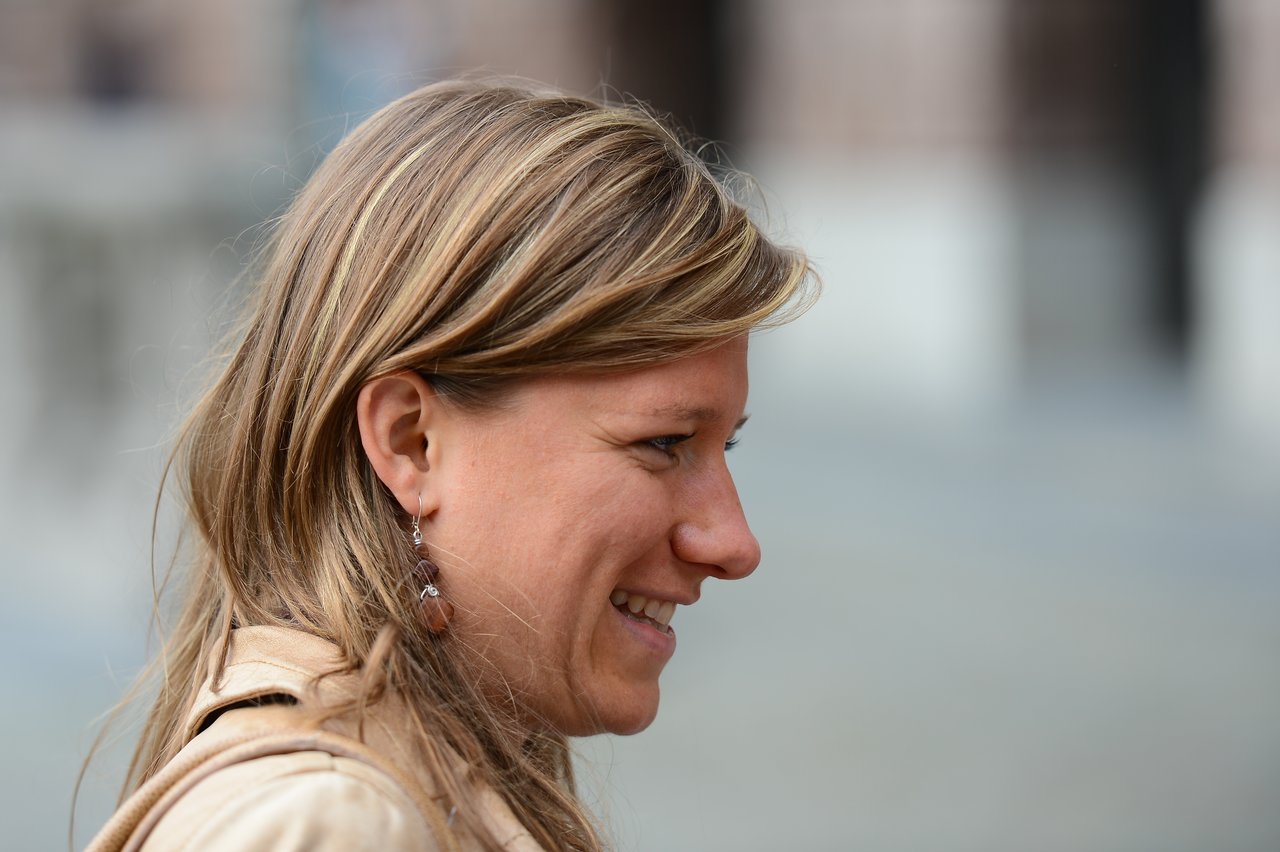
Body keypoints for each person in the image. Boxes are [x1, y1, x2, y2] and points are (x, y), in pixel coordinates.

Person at [87, 77, 813, 851]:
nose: (735, 543)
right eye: (664, 444)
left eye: (723, 445)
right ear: (410, 443)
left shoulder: (390, 787)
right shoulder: (335, 825)